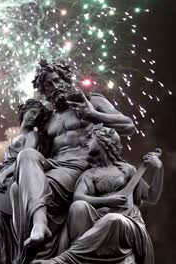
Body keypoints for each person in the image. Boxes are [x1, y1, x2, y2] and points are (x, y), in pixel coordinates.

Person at [11, 60, 135, 263]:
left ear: (67, 79)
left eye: (57, 80)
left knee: (20, 190)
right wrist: (3, 168)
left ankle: (37, 239)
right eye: (48, 85)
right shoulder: (47, 120)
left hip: (80, 167)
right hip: (55, 166)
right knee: (23, 165)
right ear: (44, 91)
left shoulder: (91, 101)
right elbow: (36, 152)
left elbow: (129, 125)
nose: (55, 86)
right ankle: (38, 228)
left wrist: (93, 115)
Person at [33, 125, 163, 264]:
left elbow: (152, 196)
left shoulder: (127, 170)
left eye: (91, 139)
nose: (86, 143)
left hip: (126, 223)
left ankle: (64, 260)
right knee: (78, 207)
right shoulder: (90, 174)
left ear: (104, 142)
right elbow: (78, 197)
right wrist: (108, 201)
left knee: (113, 220)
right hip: (99, 220)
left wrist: (159, 168)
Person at [0, 99, 49, 264]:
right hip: (4, 186)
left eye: (37, 116)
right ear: (23, 112)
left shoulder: (33, 135)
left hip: (16, 182)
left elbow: (26, 156)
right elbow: (10, 161)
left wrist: (4, 174)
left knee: (7, 229)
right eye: (32, 112)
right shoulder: (18, 137)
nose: (33, 117)